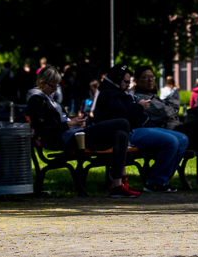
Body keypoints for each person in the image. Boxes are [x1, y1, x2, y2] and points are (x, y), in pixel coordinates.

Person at [25, 66, 139, 198]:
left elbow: (62, 120)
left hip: (75, 134)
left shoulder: (49, 98)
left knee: (120, 134)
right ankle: (120, 177)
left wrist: (77, 122)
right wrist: (70, 124)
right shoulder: (36, 100)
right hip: (65, 139)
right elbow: (44, 131)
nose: (56, 90)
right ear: (42, 83)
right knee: (123, 123)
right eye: (53, 86)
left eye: (57, 86)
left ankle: (117, 184)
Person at [132, 65, 198, 191]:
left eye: (151, 77)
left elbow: (169, 109)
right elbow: (167, 112)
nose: (150, 80)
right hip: (165, 133)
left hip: (173, 130)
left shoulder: (153, 96)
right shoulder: (141, 99)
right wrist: (173, 103)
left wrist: (171, 105)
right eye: (145, 77)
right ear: (136, 80)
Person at [93, 64, 189, 193]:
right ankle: (156, 182)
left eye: (129, 82)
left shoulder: (120, 93)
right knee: (172, 141)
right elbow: (123, 115)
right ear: (117, 80)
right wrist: (140, 107)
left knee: (182, 139)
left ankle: (161, 177)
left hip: (142, 127)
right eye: (126, 82)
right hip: (131, 132)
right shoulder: (109, 94)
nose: (128, 85)